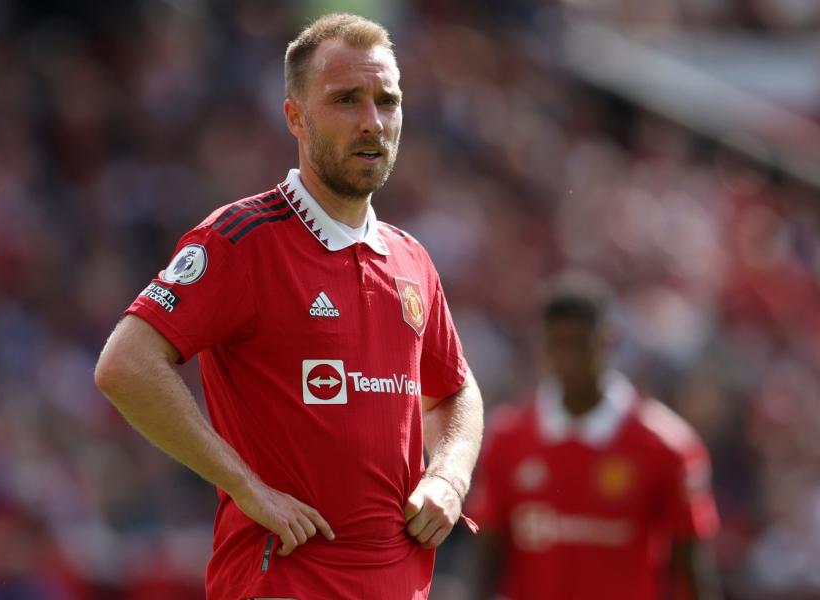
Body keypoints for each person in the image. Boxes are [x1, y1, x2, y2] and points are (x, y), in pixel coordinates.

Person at [94, 13, 483, 600]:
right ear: (295, 118)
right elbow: (125, 364)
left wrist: (449, 477)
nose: (373, 121)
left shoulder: (410, 258)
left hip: (400, 583)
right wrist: (248, 488)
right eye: (346, 100)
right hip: (285, 580)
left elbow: (455, 391)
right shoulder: (241, 240)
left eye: (387, 100)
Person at [468, 273, 722, 600]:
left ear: (607, 341)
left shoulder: (666, 446)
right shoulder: (508, 439)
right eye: (558, 344)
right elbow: (486, 558)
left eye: (579, 343)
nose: (568, 359)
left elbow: (692, 567)